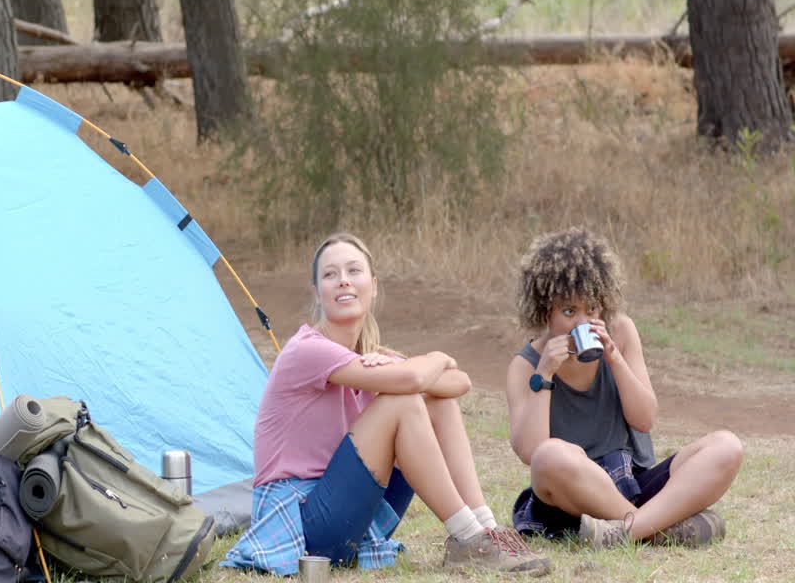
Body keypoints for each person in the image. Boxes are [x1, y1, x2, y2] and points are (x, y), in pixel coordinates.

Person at [223, 232, 551, 576]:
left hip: (348, 516)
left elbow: (459, 383)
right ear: (318, 292)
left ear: (374, 286)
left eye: (354, 270)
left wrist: (413, 370)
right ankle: (467, 537)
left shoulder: (370, 358)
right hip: (302, 524)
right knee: (404, 401)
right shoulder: (307, 350)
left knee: (436, 402)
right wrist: (438, 357)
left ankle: (486, 529)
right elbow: (414, 380)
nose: (343, 280)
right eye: (330, 274)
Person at [506, 227, 744, 548]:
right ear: (544, 309)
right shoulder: (526, 366)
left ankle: (627, 532)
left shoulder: (621, 331)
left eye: (592, 310)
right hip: (572, 495)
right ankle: (659, 529)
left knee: (726, 446)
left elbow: (644, 420)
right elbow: (530, 453)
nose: (582, 322)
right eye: (569, 311)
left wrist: (615, 358)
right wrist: (545, 372)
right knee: (550, 456)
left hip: (631, 483)